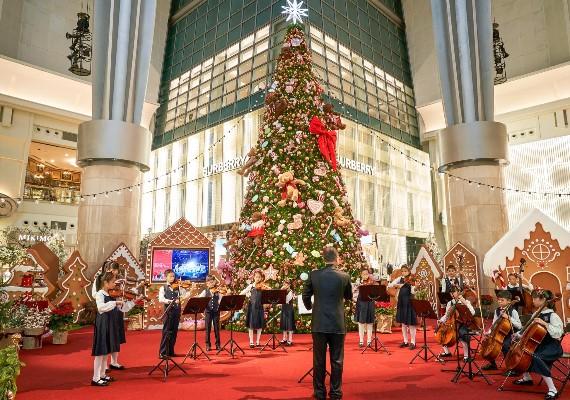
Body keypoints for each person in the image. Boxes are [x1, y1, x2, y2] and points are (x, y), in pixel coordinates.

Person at [302, 246, 352, 400]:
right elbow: (349, 296)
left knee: (319, 360)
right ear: (337, 259)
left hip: (319, 322)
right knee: (337, 360)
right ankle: (336, 393)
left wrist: (311, 307)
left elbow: (305, 295)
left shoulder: (314, 275)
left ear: (324, 259)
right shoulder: (344, 276)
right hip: (337, 322)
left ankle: (319, 392)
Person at [512, 289, 564, 400]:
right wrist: (518, 335)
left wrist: (545, 323)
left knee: (535, 357)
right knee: (524, 353)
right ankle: (527, 378)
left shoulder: (553, 316)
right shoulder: (536, 314)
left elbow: (559, 333)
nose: (533, 301)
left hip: (552, 346)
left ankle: (553, 390)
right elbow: (528, 331)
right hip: (538, 344)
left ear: (543, 300)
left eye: (535, 298)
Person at [91, 272, 126, 386]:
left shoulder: (109, 293)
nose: (114, 284)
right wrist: (114, 302)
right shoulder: (100, 294)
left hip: (109, 323)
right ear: (105, 283)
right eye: (112, 282)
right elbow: (101, 308)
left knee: (106, 352)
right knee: (100, 351)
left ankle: (102, 375)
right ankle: (95, 378)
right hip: (103, 324)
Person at [481, 290, 522, 373]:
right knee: (487, 342)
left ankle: (510, 367)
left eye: (502, 300)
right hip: (499, 333)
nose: (499, 301)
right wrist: (488, 332)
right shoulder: (497, 310)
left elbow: (519, 326)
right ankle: (492, 364)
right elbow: (494, 323)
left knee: (505, 346)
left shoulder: (513, 311)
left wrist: (508, 318)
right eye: (498, 300)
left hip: (511, 334)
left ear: (509, 301)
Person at [158, 269, 190, 358]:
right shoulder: (163, 288)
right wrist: (170, 301)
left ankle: (170, 351)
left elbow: (185, 295)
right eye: (170, 276)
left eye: (173, 276)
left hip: (176, 312)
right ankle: (162, 352)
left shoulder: (178, 287)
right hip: (168, 312)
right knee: (166, 332)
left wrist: (189, 291)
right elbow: (161, 299)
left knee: (174, 332)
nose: (172, 278)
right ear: (166, 277)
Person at [438, 285, 475, 360]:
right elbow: (447, 315)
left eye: (453, 292)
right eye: (451, 292)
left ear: (458, 292)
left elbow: (472, 312)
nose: (452, 294)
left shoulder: (466, 301)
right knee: (441, 331)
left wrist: (464, 302)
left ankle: (466, 356)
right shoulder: (450, 303)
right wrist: (441, 320)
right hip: (452, 323)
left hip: (463, 323)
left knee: (463, 333)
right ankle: (447, 352)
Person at [388, 265, 417, 350]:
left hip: (409, 302)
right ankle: (405, 341)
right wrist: (397, 285)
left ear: (409, 271)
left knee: (411, 323)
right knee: (403, 323)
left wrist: (415, 287)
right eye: (402, 271)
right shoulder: (400, 278)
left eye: (405, 271)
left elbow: (412, 291)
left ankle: (413, 342)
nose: (404, 273)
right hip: (401, 303)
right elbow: (391, 285)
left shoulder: (412, 279)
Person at [240, 269, 270, 348]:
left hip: (260, 307)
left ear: (261, 278)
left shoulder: (262, 286)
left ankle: (258, 341)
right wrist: (246, 295)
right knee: (251, 325)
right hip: (252, 307)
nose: (258, 279)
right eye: (256, 277)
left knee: (259, 325)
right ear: (254, 278)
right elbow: (244, 291)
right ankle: (251, 342)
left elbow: (269, 292)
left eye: (259, 277)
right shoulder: (251, 286)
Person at [199, 275, 223, 351]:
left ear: (215, 282)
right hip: (208, 312)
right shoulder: (205, 291)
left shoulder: (217, 292)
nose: (211, 283)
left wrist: (222, 294)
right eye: (209, 282)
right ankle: (207, 345)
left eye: (212, 282)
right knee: (208, 328)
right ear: (207, 283)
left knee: (216, 328)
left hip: (216, 311)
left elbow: (221, 300)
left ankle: (218, 345)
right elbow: (200, 298)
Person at [354, 268, 377, 347]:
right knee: (361, 322)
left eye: (367, 274)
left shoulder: (372, 282)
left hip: (370, 303)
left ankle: (369, 341)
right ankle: (361, 341)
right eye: (363, 274)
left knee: (369, 322)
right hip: (361, 303)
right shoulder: (358, 282)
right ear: (361, 275)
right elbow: (354, 292)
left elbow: (376, 293)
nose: (365, 275)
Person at [279, 278, 296, 346]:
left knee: (289, 324)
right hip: (284, 308)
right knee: (284, 323)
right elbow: (280, 297)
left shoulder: (290, 291)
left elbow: (286, 300)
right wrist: (281, 290)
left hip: (289, 309)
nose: (285, 285)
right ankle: (284, 338)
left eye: (287, 284)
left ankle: (290, 340)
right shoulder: (283, 290)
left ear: (289, 285)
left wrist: (282, 291)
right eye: (284, 284)